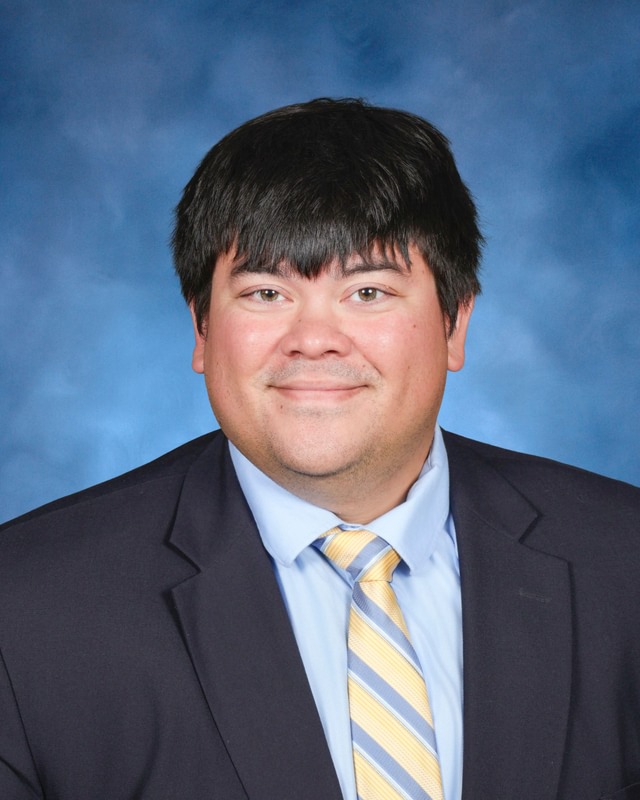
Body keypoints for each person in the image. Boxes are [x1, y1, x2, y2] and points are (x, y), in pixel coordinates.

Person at [0, 98, 638, 800]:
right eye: (266, 292)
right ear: (202, 330)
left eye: (368, 290)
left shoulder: (622, 561)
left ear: (455, 325)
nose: (314, 339)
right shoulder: (25, 609)